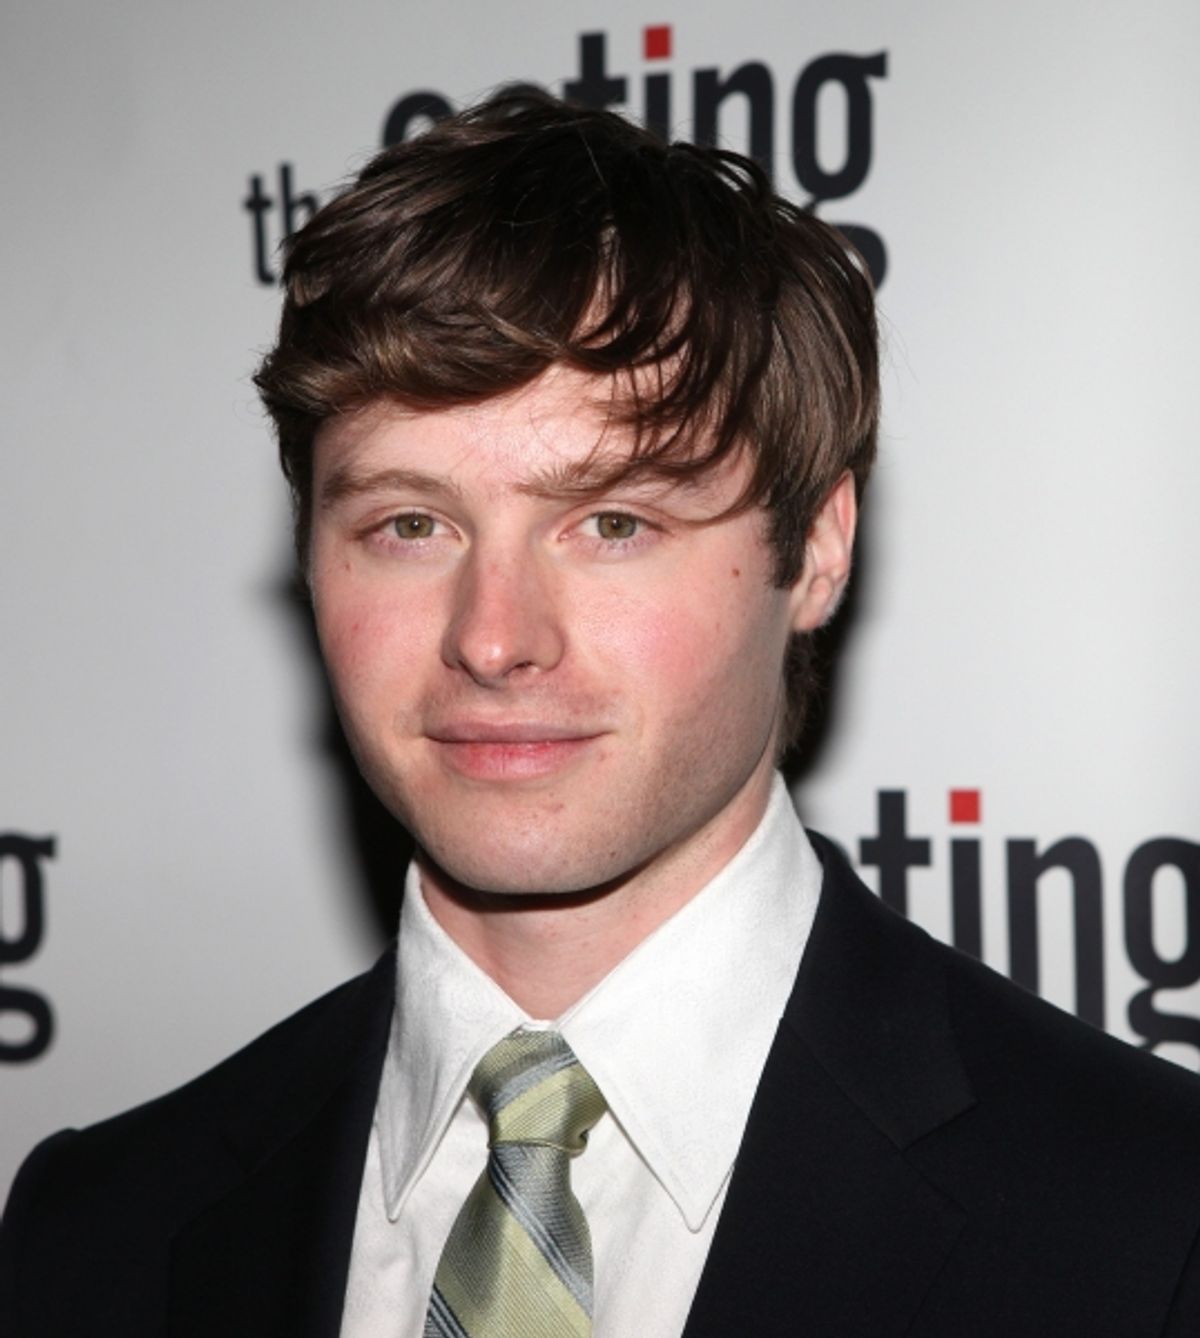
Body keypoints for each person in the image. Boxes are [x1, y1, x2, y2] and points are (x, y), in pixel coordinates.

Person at [3, 89, 1200, 1338]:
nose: (494, 637)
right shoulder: (101, 1235)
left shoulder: (1150, 1229)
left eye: (614, 523)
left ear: (820, 547)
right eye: (411, 525)